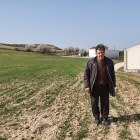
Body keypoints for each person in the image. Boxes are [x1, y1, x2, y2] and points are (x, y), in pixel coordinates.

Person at [83, 44, 116, 125]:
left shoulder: (109, 62)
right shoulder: (91, 62)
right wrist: (87, 85)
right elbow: (86, 74)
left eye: (102, 52)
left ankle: (105, 118)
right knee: (94, 102)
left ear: (104, 52)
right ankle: (97, 117)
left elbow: (112, 74)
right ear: (96, 53)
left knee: (105, 103)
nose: (100, 54)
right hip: (94, 86)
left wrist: (113, 85)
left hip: (105, 86)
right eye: (99, 53)